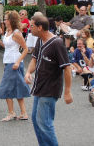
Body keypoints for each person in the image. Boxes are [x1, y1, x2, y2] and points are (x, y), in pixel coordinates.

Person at [25, 15, 73, 146]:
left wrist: (67, 92)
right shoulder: (40, 40)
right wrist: (28, 72)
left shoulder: (57, 43)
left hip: (50, 89)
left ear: (40, 27)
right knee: (36, 121)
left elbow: (67, 69)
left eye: (32, 26)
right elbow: (34, 59)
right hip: (39, 88)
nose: (30, 28)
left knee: (45, 124)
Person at [0, 11, 30, 121]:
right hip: (9, 62)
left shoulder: (16, 33)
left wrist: (18, 62)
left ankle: (11, 113)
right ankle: (23, 113)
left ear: (11, 21)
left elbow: (25, 49)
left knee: (7, 89)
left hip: (14, 63)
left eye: (6, 19)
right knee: (17, 88)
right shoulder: (8, 32)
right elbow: (7, 47)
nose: (4, 21)